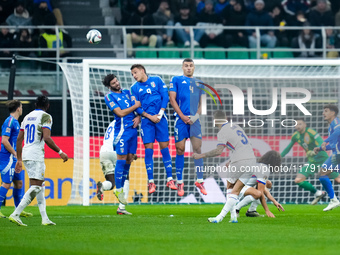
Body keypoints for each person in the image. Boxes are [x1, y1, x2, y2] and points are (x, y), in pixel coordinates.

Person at [193, 111, 279, 223]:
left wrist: (201, 155)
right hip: (251, 160)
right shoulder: (236, 127)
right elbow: (244, 145)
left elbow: (219, 151)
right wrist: (231, 160)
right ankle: (233, 217)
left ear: (214, 121)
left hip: (239, 161)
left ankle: (219, 218)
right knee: (235, 190)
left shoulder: (222, 132)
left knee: (231, 189)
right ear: (226, 118)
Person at [9, 96, 68, 226]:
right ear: (47, 106)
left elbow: (19, 139)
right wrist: (60, 152)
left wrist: (19, 158)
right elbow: (47, 138)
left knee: (40, 187)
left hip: (26, 153)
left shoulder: (27, 117)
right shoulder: (46, 117)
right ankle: (16, 213)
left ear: (35, 104)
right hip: (36, 154)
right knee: (36, 187)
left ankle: (45, 218)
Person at [130, 64, 176, 194]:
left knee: (164, 147)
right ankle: (151, 182)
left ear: (142, 71)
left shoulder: (157, 80)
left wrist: (160, 114)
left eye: (135, 72)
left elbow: (165, 97)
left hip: (160, 118)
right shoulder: (134, 88)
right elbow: (136, 107)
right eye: (132, 74)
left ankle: (170, 179)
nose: (134, 76)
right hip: (146, 121)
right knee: (148, 149)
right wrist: (149, 116)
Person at [169, 58, 206, 196]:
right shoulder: (176, 80)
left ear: (194, 67)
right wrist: (182, 116)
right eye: (186, 66)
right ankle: (179, 183)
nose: (189, 68)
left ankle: (200, 180)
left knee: (197, 149)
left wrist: (196, 116)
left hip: (195, 120)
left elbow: (203, 103)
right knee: (180, 149)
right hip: (180, 119)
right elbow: (172, 99)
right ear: (182, 67)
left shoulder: (199, 82)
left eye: (191, 66)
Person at [102, 74, 141, 205]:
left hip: (133, 131)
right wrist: (136, 107)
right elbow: (121, 113)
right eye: (113, 83)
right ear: (109, 86)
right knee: (122, 159)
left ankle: (120, 189)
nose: (117, 84)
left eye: (117, 81)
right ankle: (118, 189)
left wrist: (139, 117)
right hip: (122, 132)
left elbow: (138, 108)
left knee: (130, 158)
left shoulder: (127, 92)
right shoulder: (109, 97)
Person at [281, 119, 340, 204]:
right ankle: (318, 193)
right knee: (298, 180)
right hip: (312, 162)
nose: (298, 126)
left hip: (323, 160)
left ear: (305, 124)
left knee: (338, 179)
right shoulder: (295, 136)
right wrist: (279, 157)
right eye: (296, 124)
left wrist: (315, 151)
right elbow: (288, 148)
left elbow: (321, 143)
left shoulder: (311, 132)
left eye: (300, 124)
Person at [0, 100, 32, 219]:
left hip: (13, 158)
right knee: (6, 184)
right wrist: (15, 154)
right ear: (18, 108)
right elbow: (4, 140)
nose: (22, 109)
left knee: (18, 183)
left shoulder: (16, 123)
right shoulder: (9, 121)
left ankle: (18, 210)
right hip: (7, 157)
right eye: (22, 107)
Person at [96, 120, 136, 215]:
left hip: (104, 153)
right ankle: (121, 207)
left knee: (111, 182)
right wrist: (131, 154)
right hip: (116, 152)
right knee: (125, 177)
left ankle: (103, 186)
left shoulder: (113, 122)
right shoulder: (126, 122)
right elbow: (124, 140)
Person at [233, 151, 284, 217]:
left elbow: (264, 190)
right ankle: (236, 209)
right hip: (239, 189)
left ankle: (252, 210)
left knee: (268, 183)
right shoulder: (264, 169)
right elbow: (261, 193)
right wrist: (267, 210)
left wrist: (274, 201)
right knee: (258, 193)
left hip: (240, 187)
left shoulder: (259, 166)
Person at [314, 104, 340, 211]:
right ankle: (333, 200)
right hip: (337, 154)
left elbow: (339, 132)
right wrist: (320, 148)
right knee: (322, 173)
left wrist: (325, 141)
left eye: (326, 111)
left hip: (338, 155)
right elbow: (334, 145)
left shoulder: (336, 122)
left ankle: (334, 200)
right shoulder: (331, 126)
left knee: (322, 173)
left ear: (333, 113)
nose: (323, 113)